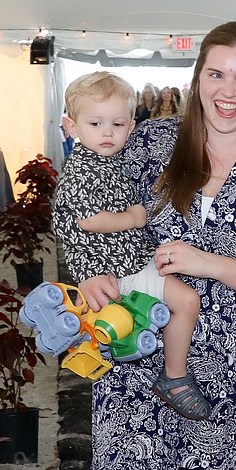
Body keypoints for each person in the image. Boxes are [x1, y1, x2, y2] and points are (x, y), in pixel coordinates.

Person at [77, 21, 236, 470]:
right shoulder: (151, 142)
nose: (229, 90)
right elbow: (83, 208)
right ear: (197, 79)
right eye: (216, 74)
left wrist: (209, 264)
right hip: (135, 355)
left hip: (233, 379)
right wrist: (91, 271)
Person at [54, 71, 210, 420]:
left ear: (131, 125)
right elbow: (87, 219)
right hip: (120, 271)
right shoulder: (82, 168)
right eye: (95, 123)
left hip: (132, 262)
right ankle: (175, 376)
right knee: (185, 301)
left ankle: (167, 369)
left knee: (182, 299)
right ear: (72, 126)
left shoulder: (110, 160)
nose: (107, 132)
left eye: (117, 124)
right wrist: (134, 218)